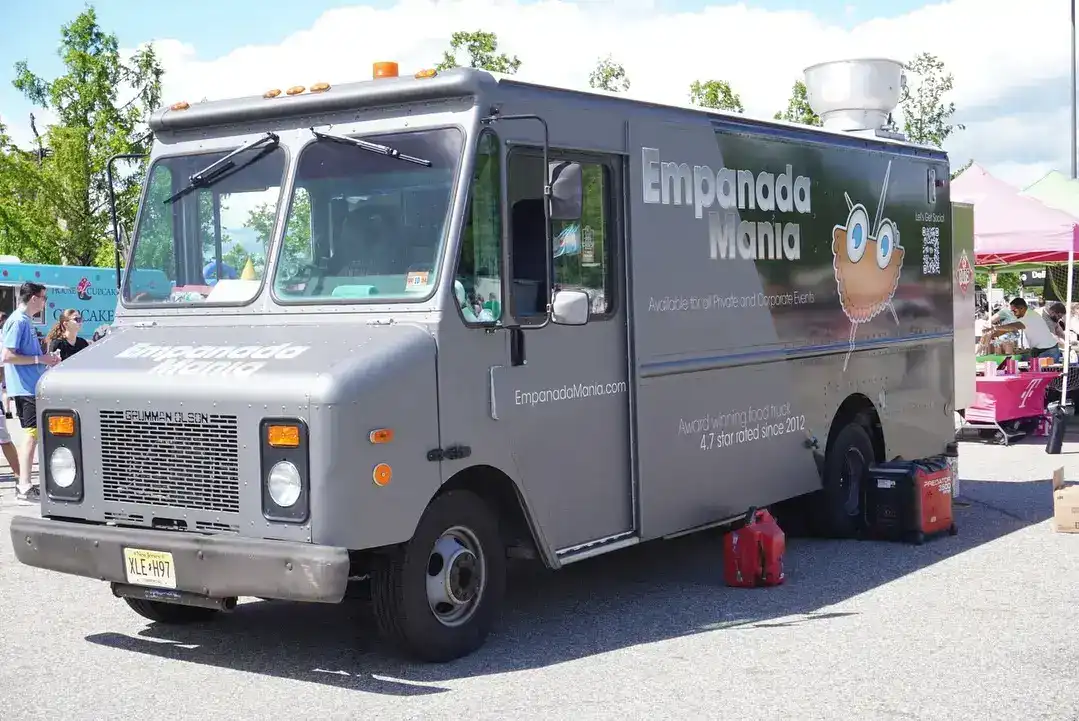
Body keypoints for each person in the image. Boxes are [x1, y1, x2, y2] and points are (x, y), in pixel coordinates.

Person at [2, 282, 60, 504]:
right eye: (44, 297)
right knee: (30, 435)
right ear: (33, 298)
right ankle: (24, 485)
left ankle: (25, 483)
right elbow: (7, 356)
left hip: (29, 386)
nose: (45, 302)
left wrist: (46, 361)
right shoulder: (18, 321)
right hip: (24, 388)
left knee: (33, 435)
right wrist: (40, 359)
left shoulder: (23, 320)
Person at [986, 297, 1064, 362]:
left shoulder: (1029, 315)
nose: (1014, 313)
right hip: (1040, 349)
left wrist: (996, 328)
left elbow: (1017, 326)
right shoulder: (1011, 312)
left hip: (1044, 350)